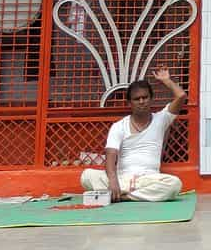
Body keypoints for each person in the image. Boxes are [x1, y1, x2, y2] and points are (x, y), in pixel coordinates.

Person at [80, 68, 186, 202]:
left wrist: (166, 80)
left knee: (174, 184)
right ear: (129, 103)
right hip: (122, 178)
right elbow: (110, 156)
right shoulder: (119, 126)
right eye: (137, 99)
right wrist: (113, 182)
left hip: (148, 179)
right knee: (86, 176)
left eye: (145, 97)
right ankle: (126, 192)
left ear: (151, 99)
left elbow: (181, 96)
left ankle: (124, 196)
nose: (142, 101)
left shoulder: (161, 119)